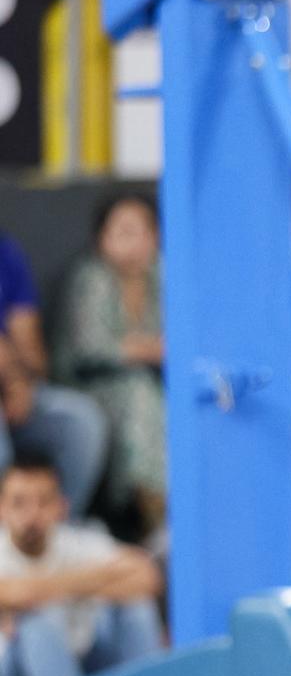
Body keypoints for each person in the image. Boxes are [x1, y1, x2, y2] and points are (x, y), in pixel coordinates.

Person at [0, 457, 163, 676]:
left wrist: (46, 591)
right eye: (19, 502)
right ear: (2, 509)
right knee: (32, 626)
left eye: (43, 501)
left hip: (85, 659)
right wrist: (92, 581)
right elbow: (15, 594)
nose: (32, 515)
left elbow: (147, 576)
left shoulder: (78, 542)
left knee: (136, 608)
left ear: (61, 507)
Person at [53, 192, 166, 534]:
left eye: (141, 231)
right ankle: (152, 512)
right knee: (139, 394)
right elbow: (92, 349)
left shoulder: (165, 275)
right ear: (102, 238)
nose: (133, 243)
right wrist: (150, 349)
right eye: (122, 232)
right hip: (89, 385)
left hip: (155, 386)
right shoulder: (92, 277)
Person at [0, 230, 107, 517]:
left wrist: (20, 382)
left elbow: (30, 347)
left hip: (12, 389)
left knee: (79, 422)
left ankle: (53, 534)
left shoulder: (5, 252)